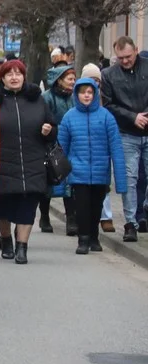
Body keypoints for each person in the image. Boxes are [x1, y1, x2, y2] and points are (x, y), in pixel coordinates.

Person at [0, 59, 55, 264]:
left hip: (32, 161)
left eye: (18, 73)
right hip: (1, 162)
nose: (14, 77)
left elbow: (52, 126)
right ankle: (6, 239)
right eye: (9, 74)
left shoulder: (37, 99)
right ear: (3, 78)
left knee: (28, 206)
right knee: (2, 206)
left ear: (24, 76)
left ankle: (22, 247)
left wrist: (48, 130)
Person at [58, 78, 126, 254]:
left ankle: (94, 237)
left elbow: (116, 149)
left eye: (90, 92)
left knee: (96, 207)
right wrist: (59, 176)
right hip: (78, 171)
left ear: (95, 94)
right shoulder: (69, 117)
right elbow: (61, 148)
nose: (86, 96)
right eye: (83, 92)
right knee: (81, 207)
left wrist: (121, 180)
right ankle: (83, 239)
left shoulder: (106, 117)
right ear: (77, 94)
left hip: (100, 171)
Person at [99, 36, 148, 242]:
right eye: (120, 58)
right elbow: (109, 104)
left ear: (136, 50)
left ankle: (144, 210)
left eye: (128, 56)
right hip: (126, 132)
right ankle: (130, 223)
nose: (125, 61)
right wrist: (132, 117)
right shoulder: (109, 75)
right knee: (129, 178)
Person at [41, 65, 77, 236]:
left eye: (73, 78)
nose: (72, 82)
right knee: (49, 181)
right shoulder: (47, 98)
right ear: (59, 80)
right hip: (51, 144)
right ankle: (44, 216)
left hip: (71, 144)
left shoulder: (74, 97)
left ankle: (71, 218)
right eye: (69, 79)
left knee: (69, 182)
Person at [81, 62, 116, 232]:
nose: (93, 84)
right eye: (89, 80)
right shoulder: (79, 101)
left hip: (101, 153)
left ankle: (105, 216)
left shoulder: (105, 100)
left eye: (97, 80)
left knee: (103, 186)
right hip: (82, 155)